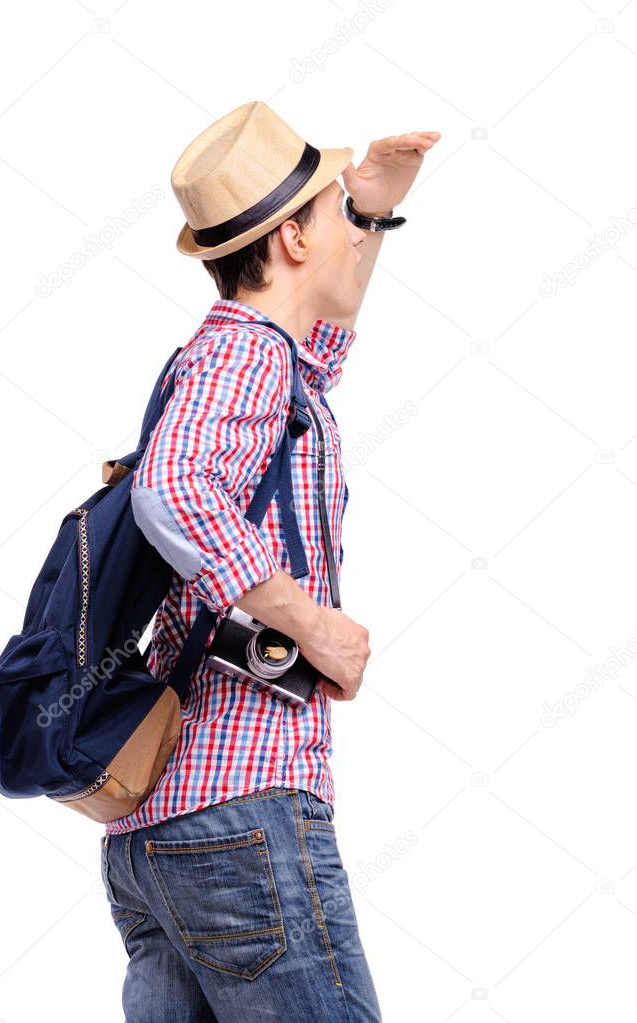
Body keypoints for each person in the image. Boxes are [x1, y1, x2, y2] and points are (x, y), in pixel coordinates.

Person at [99, 99, 440, 1022]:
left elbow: (316, 358)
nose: (345, 227)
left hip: (158, 830)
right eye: (331, 211)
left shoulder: (246, 358)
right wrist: (313, 622)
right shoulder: (245, 356)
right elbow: (172, 489)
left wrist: (367, 210)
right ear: (292, 239)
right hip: (242, 813)